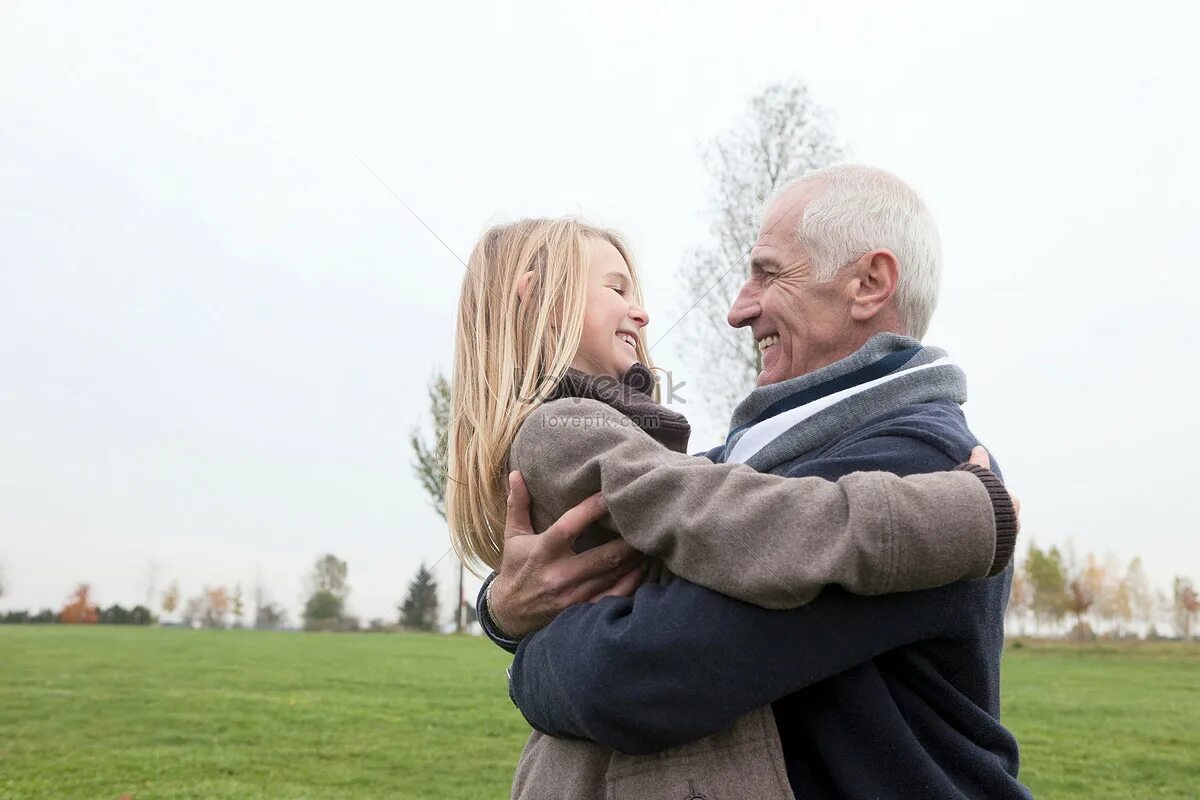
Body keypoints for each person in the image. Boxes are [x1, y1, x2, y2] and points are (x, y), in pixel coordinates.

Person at [448, 211, 1021, 799]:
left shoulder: (915, 450)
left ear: (869, 284)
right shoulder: (565, 429)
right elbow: (719, 516)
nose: (737, 309)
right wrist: (967, 515)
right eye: (616, 289)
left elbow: (628, 666)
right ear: (534, 298)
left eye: (769, 275)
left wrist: (512, 625)